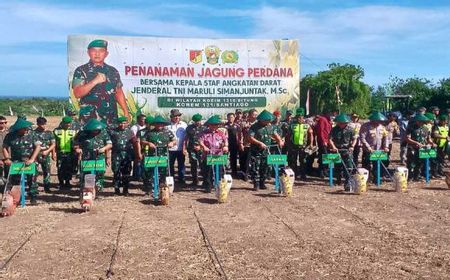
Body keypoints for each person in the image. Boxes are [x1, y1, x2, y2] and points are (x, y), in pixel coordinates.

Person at [72, 39, 130, 125]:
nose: (97, 54)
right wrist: (94, 81)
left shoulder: (113, 71)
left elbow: (118, 92)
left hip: (111, 119)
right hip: (90, 121)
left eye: (101, 51)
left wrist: (126, 111)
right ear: (88, 53)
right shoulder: (81, 70)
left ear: (106, 54)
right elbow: (77, 93)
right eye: (93, 51)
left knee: (111, 138)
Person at [2, 119, 41, 205]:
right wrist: (7, 158)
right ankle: (17, 198)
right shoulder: (10, 136)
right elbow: (4, 147)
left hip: (29, 161)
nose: (26, 129)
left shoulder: (32, 135)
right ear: (19, 129)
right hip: (16, 162)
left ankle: (33, 197)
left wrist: (32, 159)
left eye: (26, 128)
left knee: (32, 179)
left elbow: (38, 147)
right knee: (16, 181)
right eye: (24, 128)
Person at [138, 116, 175, 195]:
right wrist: (148, 143)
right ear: (154, 124)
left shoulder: (168, 132)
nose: (159, 126)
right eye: (157, 124)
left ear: (163, 124)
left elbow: (174, 140)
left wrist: (172, 143)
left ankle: (162, 190)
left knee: (163, 173)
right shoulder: (149, 133)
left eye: (161, 124)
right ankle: (149, 189)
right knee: (149, 173)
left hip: (164, 156)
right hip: (152, 155)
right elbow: (142, 141)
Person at [74, 119, 112, 193]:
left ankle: (98, 189)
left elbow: (109, 144)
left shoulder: (103, 132)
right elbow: (75, 143)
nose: (96, 131)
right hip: (87, 157)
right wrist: (77, 149)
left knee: (100, 173)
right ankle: (88, 191)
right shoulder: (82, 133)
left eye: (97, 130)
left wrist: (104, 149)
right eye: (94, 130)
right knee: (88, 173)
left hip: (99, 157)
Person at [248, 110, 283, 190]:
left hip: (266, 151)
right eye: (266, 120)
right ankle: (256, 184)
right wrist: (259, 143)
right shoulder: (254, 127)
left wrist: (279, 141)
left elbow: (275, 135)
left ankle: (262, 183)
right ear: (261, 120)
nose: (268, 122)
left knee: (265, 167)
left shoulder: (270, 126)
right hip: (256, 151)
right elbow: (250, 138)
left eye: (269, 120)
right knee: (255, 167)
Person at [198, 115, 228, 192]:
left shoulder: (221, 133)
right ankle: (208, 186)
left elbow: (225, 142)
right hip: (208, 155)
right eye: (212, 124)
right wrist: (204, 147)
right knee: (208, 171)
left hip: (219, 155)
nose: (214, 126)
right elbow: (200, 141)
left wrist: (225, 146)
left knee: (219, 171)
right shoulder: (204, 133)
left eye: (216, 125)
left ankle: (219, 186)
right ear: (209, 125)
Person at [328, 113, 357, 189]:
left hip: (347, 150)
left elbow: (355, 138)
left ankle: (347, 182)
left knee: (349, 167)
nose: (341, 124)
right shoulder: (334, 129)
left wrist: (352, 146)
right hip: (337, 150)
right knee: (337, 167)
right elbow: (330, 139)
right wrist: (333, 147)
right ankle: (338, 180)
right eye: (340, 123)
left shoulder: (350, 129)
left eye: (343, 123)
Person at [108, 116, 136, 195]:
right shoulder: (113, 132)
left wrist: (137, 154)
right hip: (116, 155)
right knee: (116, 172)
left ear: (127, 123)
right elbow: (108, 143)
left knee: (126, 173)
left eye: (124, 123)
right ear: (117, 123)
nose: (122, 125)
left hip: (127, 155)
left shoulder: (130, 132)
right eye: (120, 123)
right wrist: (108, 157)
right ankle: (116, 189)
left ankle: (125, 189)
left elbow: (135, 143)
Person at [359, 112, 389, 183]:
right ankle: (366, 180)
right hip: (368, 150)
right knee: (366, 165)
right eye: (378, 121)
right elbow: (362, 138)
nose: (379, 122)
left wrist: (386, 147)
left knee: (377, 165)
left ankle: (377, 179)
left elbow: (385, 138)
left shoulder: (382, 127)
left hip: (378, 150)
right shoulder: (365, 126)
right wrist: (368, 147)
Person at [405, 114, 435, 181]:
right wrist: (416, 143)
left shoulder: (426, 128)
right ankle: (410, 177)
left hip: (422, 149)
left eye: (422, 121)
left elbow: (428, 138)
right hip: (412, 148)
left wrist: (432, 143)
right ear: (416, 121)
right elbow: (407, 138)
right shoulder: (410, 127)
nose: (420, 122)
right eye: (419, 121)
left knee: (420, 163)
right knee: (411, 163)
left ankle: (417, 176)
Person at [286, 108, 313, 180]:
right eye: (297, 117)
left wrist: (311, 144)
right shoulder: (292, 125)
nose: (299, 119)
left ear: (303, 117)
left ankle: (303, 175)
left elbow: (311, 135)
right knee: (293, 161)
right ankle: (294, 174)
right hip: (293, 146)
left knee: (303, 161)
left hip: (303, 146)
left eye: (300, 117)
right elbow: (288, 135)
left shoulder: (307, 125)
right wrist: (288, 145)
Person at [33, 117, 56, 193]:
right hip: (36, 155)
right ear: (37, 124)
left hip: (46, 155)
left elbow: (53, 144)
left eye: (44, 124)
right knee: (34, 172)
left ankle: (47, 187)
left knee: (47, 172)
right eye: (41, 124)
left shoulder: (49, 133)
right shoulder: (33, 133)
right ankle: (34, 188)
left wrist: (49, 152)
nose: (43, 126)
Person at [54, 116, 77, 189]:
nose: (68, 125)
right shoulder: (56, 131)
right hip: (60, 152)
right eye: (66, 123)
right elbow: (53, 142)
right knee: (60, 167)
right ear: (63, 123)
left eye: (69, 123)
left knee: (69, 167)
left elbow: (76, 141)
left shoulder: (74, 131)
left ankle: (67, 182)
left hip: (70, 153)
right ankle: (61, 183)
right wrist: (53, 153)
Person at [167, 109, 187, 183]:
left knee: (181, 164)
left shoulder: (184, 125)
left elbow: (186, 137)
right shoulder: (167, 125)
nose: (177, 117)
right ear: (171, 117)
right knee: (170, 165)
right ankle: (171, 179)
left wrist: (185, 148)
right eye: (175, 116)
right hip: (170, 149)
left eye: (178, 116)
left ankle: (181, 179)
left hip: (181, 148)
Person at [184, 114, 205, 186]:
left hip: (202, 149)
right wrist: (184, 148)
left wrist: (201, 146)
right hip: (192, 149)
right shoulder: (189, 128)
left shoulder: (204, 128)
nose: (198, 122)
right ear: (193, 121)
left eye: (199, 121)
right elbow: (186, 138)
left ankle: (205, 181)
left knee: (203, 164)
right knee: (193, 165)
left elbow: (206, 139)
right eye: (196, 121)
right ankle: (195, 180)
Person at [238, 108, 258, 181]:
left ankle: (254, 175)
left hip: (256, 144)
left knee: (254, 161)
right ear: (249, 115)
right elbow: (240, 134)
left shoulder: (258, 123)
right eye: (254, 115)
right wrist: (240, 143)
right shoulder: (243, 123)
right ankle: (245, 174)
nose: (255, 116)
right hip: (246, 144)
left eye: (256, 115)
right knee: (245, 161)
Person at [314, 113, 332, 178]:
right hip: (323, 141)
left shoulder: (328, 121)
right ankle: (321, 171)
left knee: (326, 156)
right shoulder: (322, 119)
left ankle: (325, 171)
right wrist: (323, 141)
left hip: (328, 141)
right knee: (323, 156)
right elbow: (320, 131)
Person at [131, 114, 146, 180]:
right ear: (138, 120)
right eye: (142, 119)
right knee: (137, 161)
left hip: (144, 147)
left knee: (143, 161)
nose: (144, 121)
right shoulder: (134, 127)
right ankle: (137, 175)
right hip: (136, 146)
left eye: (145, 119)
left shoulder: (146, 127)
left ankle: (142, 175)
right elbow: (134, 139)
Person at [225, 112, 240, 178]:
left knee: (233, 159)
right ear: (227, 118)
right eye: (229, 117)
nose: (230, 118)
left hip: (234, 144)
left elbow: (239, 135)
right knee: (224, 158)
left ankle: (234, 173)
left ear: (234, 118)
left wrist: (240, 143)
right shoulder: (224, 126)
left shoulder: (237, 126)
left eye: (232, 117)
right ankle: (223, 172)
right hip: (226, 144)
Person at [0, 116, 9, 181]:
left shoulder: (10, 133)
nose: (4, 124)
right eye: (1, 123)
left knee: (8, 176)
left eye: (5, 122)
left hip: (8, 157)